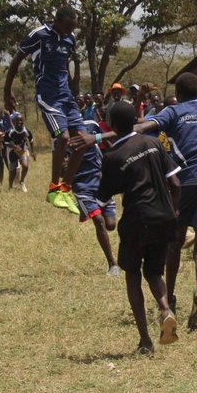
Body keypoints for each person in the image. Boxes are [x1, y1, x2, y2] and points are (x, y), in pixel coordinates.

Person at [127, 73, 197, 330]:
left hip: (187, 183)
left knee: (174, 242)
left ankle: (169, 299)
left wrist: (117, 130)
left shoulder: (174, 111)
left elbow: (143, 127)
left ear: (179, 94)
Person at [96, 101, 182, 355]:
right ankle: (166, 309)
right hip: (164, 218)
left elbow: (103, 198)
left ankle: (145, 341)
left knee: (133, 275)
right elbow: (176, 183)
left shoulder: (113, 156)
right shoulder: (153, 143)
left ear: (111, 125)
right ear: (135, 120)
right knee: (154, 273)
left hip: (137, 221)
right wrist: (173, 213)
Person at [4, 6, 85, 212]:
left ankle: (66, 189)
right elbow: (15, 62)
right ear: (56, 21)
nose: (70, 32)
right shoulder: (39, 35)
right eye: (68, 27)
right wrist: (7, 92)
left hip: (66, 96)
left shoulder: (70, 39)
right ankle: (53, 189)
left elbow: (63, 66)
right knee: (63, 137)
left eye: (73, 28)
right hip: (48, 97)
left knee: (83, 140)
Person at [73, 118, 120, 275]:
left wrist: (118, 155)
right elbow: (60, 166)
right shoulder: (63, 136)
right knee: (99, 221)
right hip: (81, 186)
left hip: (100, 181)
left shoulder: (91, 125)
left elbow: (106, 143)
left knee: (111, 224)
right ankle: (112, 264)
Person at [5, 113, 35, 191]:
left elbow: (31, 140)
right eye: (17, 120)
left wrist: (32, 152)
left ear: (23, 121)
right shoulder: (10, 131)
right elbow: (6, 143)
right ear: (14, 121)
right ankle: (10, 186)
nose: (19, 122)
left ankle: (22, 182)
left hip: (23, 150)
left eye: (21, 120)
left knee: (25, 166)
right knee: (13, 171)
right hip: (13, 152)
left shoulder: (26, 131)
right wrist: (14, 146)